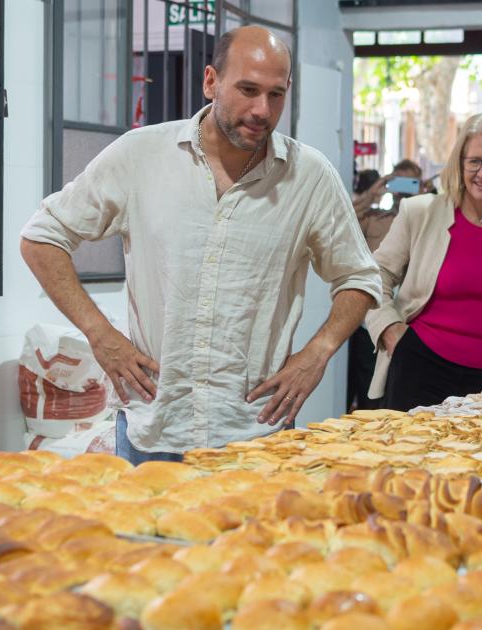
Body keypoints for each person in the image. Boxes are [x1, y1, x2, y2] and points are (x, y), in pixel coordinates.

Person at [20, 26, 380, 464]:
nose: (261, 110)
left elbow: (359, 276)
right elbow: (42, 237)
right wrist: (100, 334)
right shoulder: (142, 155)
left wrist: (318, 352)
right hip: (153, 429)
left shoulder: (309, 176)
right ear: (211, 81)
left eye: (275, 95)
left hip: (256, 432)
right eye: (247, 90)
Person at [366, 112, 482, 411]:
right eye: (474, 161)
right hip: (420, 371)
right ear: (460, 164)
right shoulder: (420, 212)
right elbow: (374, 276)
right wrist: (391, 332)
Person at [347, 159, 424, 411]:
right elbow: (342, 220)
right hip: (371, 315)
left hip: (412, 320)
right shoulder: (375, 219)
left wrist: (425, 198)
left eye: (410, 182)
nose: (404, 190)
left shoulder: (428, 221)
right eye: (398, 182)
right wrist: (372, 194)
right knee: (366, 388)